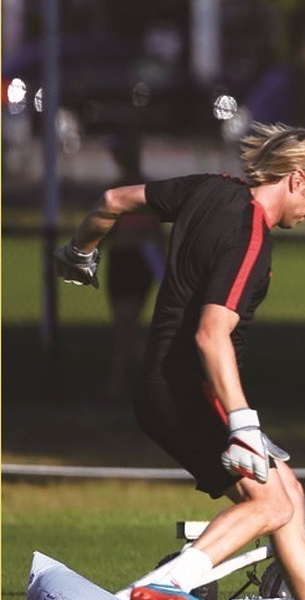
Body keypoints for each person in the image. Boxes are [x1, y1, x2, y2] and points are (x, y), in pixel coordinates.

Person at [54, 122, 305, 600]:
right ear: (296, 180)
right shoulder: (249, 231)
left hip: (167, 385)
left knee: (286, 494)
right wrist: (243, 423)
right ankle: (161, 587)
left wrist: (80, 250)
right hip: (188, 387)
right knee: (269, 503)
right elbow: (210, 332)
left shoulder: (209, 188)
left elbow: (113, 200)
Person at [100, 134, 165, 401]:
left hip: (138, 261)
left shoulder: (145, 190)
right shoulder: (115, 190)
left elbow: (155, 233)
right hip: (120, 260)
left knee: (127, 323)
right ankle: (120, 389)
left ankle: (157, 381)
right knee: (124, 327)